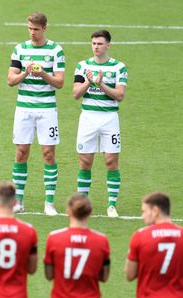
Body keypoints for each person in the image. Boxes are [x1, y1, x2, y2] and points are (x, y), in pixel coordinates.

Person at [7, 12, 65, 216]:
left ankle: (49, 203)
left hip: (47, 109)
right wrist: (25, 72)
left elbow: (59, 83)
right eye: (29, 28)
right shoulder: (20, 49)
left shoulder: (56, 50)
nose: (32, 33)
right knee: (21, 153)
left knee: (48, 154)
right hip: (24, 109)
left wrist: (42, 74)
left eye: (36, 29)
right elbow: (10, 80)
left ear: (44, 28)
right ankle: (18, 201)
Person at [72, 30, 128, 218]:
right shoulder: (82, 66)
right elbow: (76, 94)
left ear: (108, 46)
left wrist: (102, 84)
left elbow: (119, 96)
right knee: (85, 162)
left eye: (100, 43)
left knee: (111, 161)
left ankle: (111, 205)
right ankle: (82, 203)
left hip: (109, 119)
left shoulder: (119, 67)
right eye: (94, 43)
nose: (96, 46)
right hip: (88, 118)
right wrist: (89, 82)